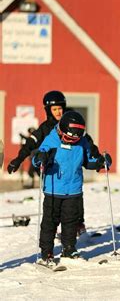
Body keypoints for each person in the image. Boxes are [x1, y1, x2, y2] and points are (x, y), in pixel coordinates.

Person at [7, 91, 100, 236]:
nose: (59, 112)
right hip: (52, 171)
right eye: (55, 109)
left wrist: (97, 157)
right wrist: (18, 160)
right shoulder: (44, 128)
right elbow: (30, 144)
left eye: (60, 108)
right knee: (53, 202)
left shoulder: (70, 122)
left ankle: (78, 223)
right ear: (48, 110)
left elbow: (87, 141)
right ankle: (53, 227)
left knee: (75, 196)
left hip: (71, 169)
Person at [33, 111, 110, 264]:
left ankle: (69, 249)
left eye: (74, 139)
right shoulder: (52, 140)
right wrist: (41, 158)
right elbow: (37, 158)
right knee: (50, 222)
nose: (71, 142)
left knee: (70, 222)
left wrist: (101, 162)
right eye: (68, 138)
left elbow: (88, 161)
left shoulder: (82, 143)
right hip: (54, 189)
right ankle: (46, 252)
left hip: (73, 190)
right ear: (61, 131)